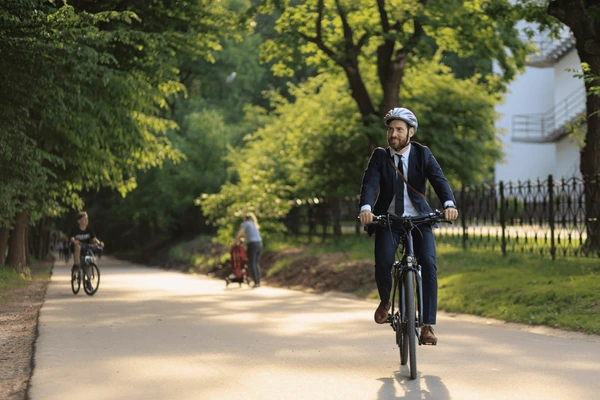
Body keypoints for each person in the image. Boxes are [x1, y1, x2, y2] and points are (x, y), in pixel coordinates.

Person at [358, 107, 459, 345]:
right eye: (390, 129)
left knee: (429, 264)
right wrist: (366, 208)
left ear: (410, 132)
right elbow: (370, 183)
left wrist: (448, 204)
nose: (393, 134)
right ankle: (386, 301)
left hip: (419, 220)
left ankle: (426, 324)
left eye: (399, 129)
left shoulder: (423, 154)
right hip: (389, 220)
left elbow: (438, 179)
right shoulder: (380, 156)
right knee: (383, 261)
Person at [70, 211, 104, 289]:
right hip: (76, 248)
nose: (86, 220)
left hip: (86, 247)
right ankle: (76, 265)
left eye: (87, 219)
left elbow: (94, 238)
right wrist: (74, 241)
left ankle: (88, 280)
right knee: (78, 247)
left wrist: (99, 243)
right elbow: (72, 238)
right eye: (84, 219)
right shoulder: (75, 229)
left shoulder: (89, 229)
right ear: (79, 221)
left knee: (91, 259)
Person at [235, 213, 263, 288]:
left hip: (252, 245)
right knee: (256, 263)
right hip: (259, 244)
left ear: (245, 218)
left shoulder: (245, 224)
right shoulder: (254, 224)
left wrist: (236, 241)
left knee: (252, 263)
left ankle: (256, 282)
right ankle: (258, 281)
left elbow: (239, 234)